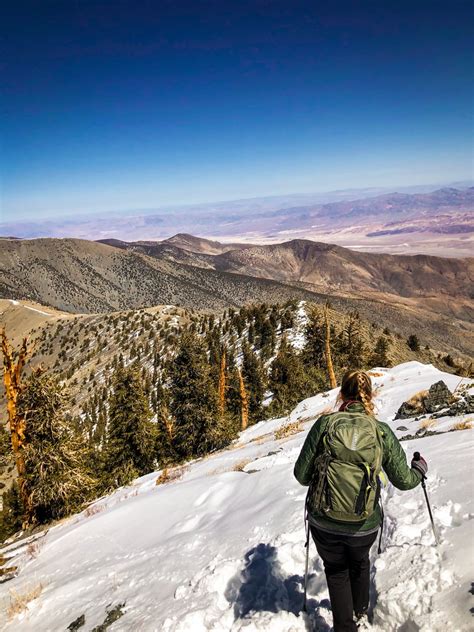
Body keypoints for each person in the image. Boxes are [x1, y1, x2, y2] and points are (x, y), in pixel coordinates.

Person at [294, 370, 427, 632]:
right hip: (364, 524)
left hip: (325, 521)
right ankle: (361, 614)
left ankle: (345, 627)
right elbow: (403, 481)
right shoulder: (380, 431)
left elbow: (301, 475)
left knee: (336, 570)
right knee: (359, 562)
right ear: (371, 396)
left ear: (341, 394)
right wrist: (420, 468)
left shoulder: (325, 425)